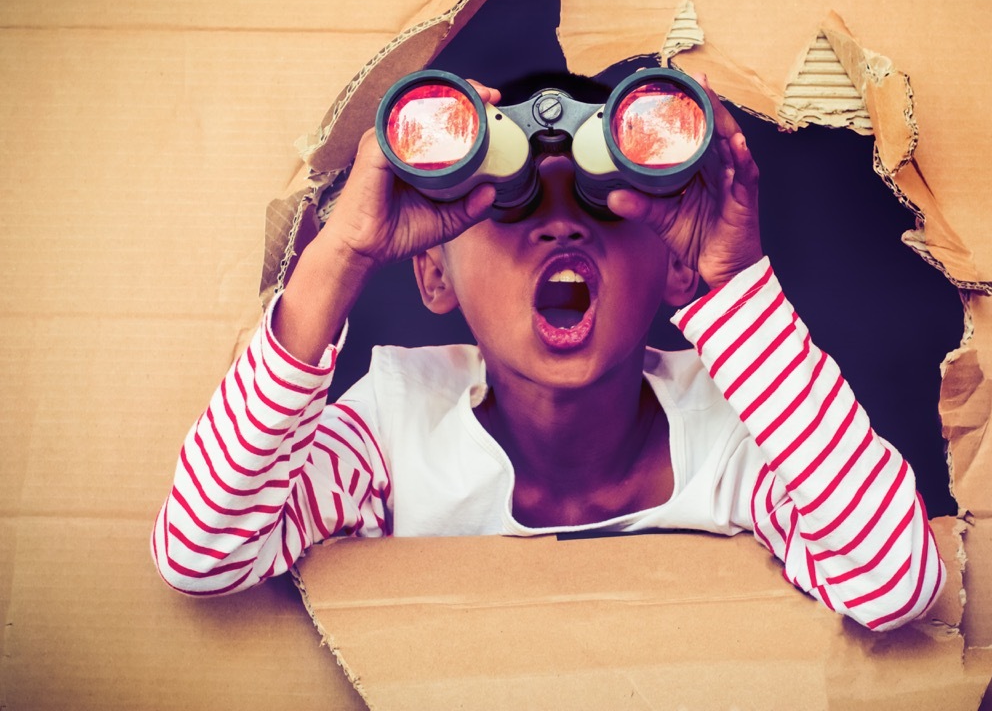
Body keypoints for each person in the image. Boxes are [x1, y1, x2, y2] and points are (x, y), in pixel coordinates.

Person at [151, 72, 944, 631]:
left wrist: (734, 282)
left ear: (672, 263)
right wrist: (345, 249)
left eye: (601, 204)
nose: (561, 227)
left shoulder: (739, 431)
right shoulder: (395, 432)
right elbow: (199, 552)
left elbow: (894, 581)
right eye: (513, 205)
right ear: (433, 270)